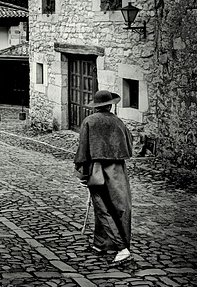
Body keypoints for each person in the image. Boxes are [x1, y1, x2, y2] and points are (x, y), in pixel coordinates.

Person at [74, 90, 134, 266]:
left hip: (97, 169)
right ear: (110, 105)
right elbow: (129, 145)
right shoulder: (118, 122)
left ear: (96, 106)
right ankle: (101, 243)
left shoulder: (89, 122)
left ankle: (122, 248)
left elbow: (83, 151)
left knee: (102, 208)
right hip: (118, 170)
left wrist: (83, 174)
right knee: (120, 207)